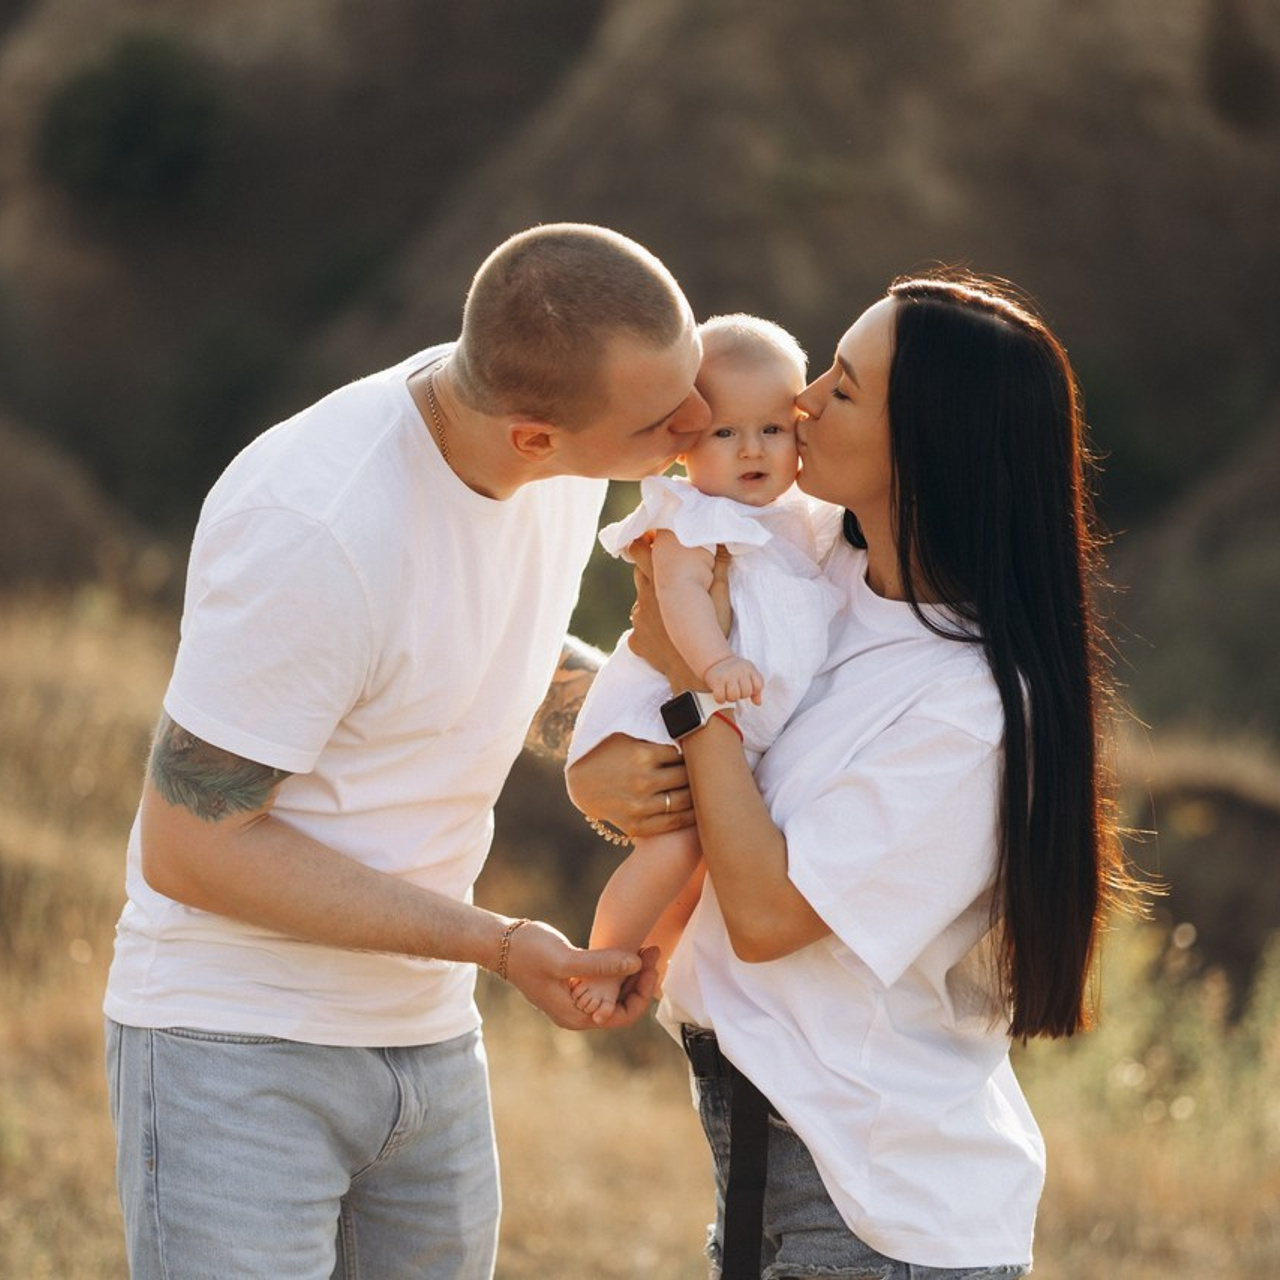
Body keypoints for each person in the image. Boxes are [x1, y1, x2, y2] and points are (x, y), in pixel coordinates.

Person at [101, 223, 714, 1280]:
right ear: (533, 436)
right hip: (234, 1052)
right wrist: (499, 941)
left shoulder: (559, 449)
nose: (695, 426)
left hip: (427, 1045)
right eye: (662, 418)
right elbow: (191, 846)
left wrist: (594, 731)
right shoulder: (316, 525)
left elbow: (472, 640)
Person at [568, 272, 1141, 1278]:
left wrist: (690, 693)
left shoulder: (970, 707)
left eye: (839, 386)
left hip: (878, 1216)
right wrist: (602, 766)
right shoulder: (810, 565)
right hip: (769, 1167)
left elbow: (767, 911)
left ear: (923, 445)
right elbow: (647, 668)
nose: (801, 402)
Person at [567, 315, 840, 1021]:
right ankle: (599, 960)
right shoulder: (691, 515)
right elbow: (677, 598)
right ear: (686, 442)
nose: (751, 448)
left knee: (694, 867)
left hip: (725, 722)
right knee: (673, 850)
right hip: (665, 708)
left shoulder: (801, 518)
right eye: (724, 433)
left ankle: (648, 967)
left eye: (772, 430)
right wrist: (714, 662)